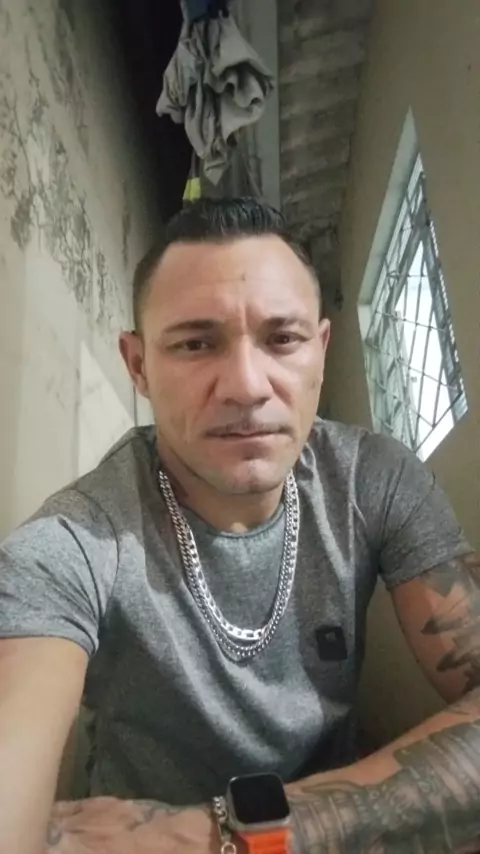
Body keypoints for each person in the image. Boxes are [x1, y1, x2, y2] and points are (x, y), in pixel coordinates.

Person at [0, 197, 479, 854]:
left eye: (282, 339)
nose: (247, 386)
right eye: (196, 344)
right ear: (138, 366)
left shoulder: (374, 479)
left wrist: (230, 831)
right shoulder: (73, 544)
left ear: (321, 349)